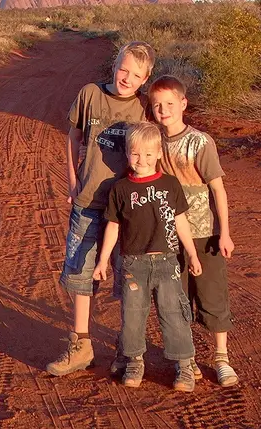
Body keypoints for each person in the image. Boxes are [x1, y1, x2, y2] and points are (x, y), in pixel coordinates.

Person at [45, 41, 154, 377]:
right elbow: (74, 136)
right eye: (123, 69)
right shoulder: (90, 94)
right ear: (115, 64)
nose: (127, 77)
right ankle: (81, 346)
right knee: (80, 273)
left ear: (145, 78)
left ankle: (128, 351)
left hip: (128, 208)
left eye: (136, 74)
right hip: (89, 200)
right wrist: (73, 179)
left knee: (129, 279)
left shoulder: (142, 108)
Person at [92, 121, 203, 390]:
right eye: (136, 153)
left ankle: (185, 364)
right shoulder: (120, 189)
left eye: (148, 154)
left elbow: (180, 221)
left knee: (173, 313)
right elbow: (114, 226)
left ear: (158, 155)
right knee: (132, 314)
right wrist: (103, 259)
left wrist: (192, 254)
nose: (142, 160)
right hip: (133, 263)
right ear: (128, 153)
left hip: (167, 262)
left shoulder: (170, 184)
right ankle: (134, 360)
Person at [148, 75, 239, 387]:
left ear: (183, 104)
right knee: (177, 298)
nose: (163, 110)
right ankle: (185, 360)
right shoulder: (152, 141)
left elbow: (218, 189)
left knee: (212, 295)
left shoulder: (200, 142)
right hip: (168, 235)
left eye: (170, 104)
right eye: (157, 105)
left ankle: (222, 357)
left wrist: (224, 232)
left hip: (204, 233)